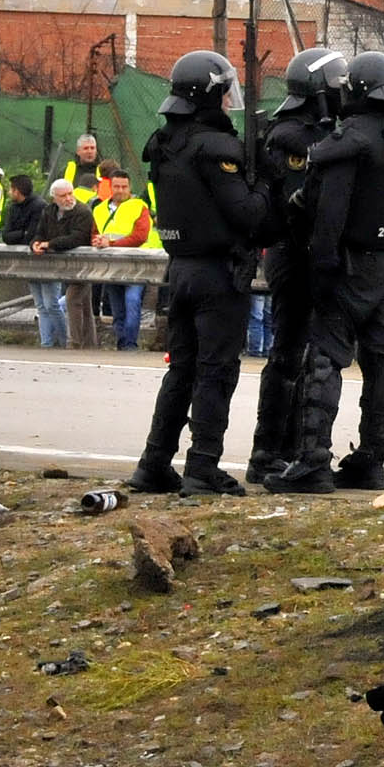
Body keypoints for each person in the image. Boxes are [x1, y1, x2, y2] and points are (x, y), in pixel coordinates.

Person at [268, 52, 384, 494]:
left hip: (350, 261)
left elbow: (329, 218)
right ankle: (372, 458)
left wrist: (322, 268)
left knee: (325, 356)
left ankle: (313, 460)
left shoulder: (349, 141)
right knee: (380, 359)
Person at [123, 52, 268, 497]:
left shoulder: (165, 142)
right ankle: (203, 465)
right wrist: (264, 183)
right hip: (216, 274)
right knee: (215, 372)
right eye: (224, 93)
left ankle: (154, 462)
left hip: (179, 270)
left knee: (182, 371)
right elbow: (247, 215)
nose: (229, 103)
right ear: (208, 95)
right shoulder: (214, 147)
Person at [246, 48, 347, 483]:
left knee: (303, 352)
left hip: (307, 254)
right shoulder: (291, 137)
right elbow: (299, 202)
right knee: (288, 352)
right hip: (292, 252)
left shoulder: (316, 131)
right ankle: (268, 450)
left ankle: (287, 446)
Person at [91, 165, 153, 348]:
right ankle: (122, 344)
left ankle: (130, 344)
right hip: (111, 266)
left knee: (132, 302)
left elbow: (140, 236)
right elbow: (94, 233)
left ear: (129, 187)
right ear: (111, 187)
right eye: (117, 187)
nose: (120, 191)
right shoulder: (99, 209)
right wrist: (97, 241)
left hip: (136, 265)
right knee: (118, 310)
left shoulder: (139, 206)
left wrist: (110, 244)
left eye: (124, 187)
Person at [27, 177, 90, 347]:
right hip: (57, 264)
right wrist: (36, 244)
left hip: (82, 265)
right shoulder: (49, 211)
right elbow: (40, 232)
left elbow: (77, 237)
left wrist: (50, 244)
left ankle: (72, 343)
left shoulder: (82, 211)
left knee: (70, 300)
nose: (68, 198)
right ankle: (52, 343)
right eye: (63, 196)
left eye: (70, 194)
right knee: (79, 305)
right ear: (54, 197)